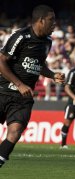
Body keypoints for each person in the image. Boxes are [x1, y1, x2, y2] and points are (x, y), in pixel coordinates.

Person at [0, 5, 65, 167]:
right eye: (51, 20)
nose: (54, 24)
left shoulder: (48, 42)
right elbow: (1, 60)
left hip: (23, 97)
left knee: (14, 133)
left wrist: (52, 75)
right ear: (41, 21)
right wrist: (19, 84)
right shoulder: (21, 37)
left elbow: (38, 65)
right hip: (4, 90)